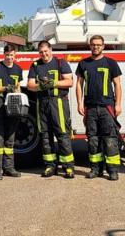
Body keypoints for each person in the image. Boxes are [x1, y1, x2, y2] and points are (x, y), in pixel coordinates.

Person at [76, 35, 123, 180]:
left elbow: (117, 84)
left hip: (106, 107)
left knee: (110, 140)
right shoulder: (83, 63)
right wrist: (79, 103)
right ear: (89, 46)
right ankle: (95, 169)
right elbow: (79, 84)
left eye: (98, 45)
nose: (95, 47)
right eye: (93, 44)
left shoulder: (111, 63)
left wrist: (118, 104)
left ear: (103, 46)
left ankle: (113, 170)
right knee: (93, 140)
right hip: (90, 108)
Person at [27, 41, 75, 178]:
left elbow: (69, 82)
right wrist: (41, 86)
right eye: (41, 52)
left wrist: (53, 83)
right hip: (42, 103)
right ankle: (50, 166)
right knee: (45, 135)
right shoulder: (35, 65)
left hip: (58, 102)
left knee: (62, 134)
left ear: (51, 50)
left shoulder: (61, 63)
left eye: (46, 51)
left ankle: (68, 167)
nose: (44, 54)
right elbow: (30, 85)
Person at [0, 44, 24, 180]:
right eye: (7, 55)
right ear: (4, 55)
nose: (9, 57)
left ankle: (9, 168)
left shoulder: (18, 69)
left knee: (10, 139)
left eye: (12, 55)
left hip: (13, 105)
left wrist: (20, 100)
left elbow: (19, 88)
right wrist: (5, 88)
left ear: (15, 55)